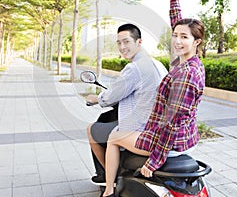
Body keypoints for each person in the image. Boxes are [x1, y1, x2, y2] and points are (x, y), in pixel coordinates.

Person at [101, 17, 206, 197]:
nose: (178, 41)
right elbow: (178, 22)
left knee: (113, 138)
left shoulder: (185, 76)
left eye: (184, 37)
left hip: (171, 142)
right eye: (175, 35)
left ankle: (109, 190)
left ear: (196, 41)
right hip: (187, 138)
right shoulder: (192, 63)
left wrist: (154, 161)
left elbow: (172, 123)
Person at [86, 23, 168, 185]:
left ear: (139, 42)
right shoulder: (158, 64)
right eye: (119, 43)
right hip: (157, 125)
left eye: (127, 41)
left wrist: (95, 98)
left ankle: (111, 176)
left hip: (140, 127)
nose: (122, 47)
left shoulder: (134, 68)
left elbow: (110, 96)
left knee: (91, 130)